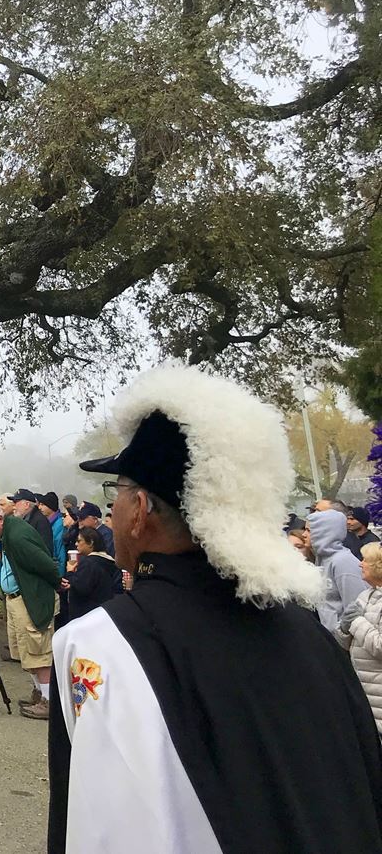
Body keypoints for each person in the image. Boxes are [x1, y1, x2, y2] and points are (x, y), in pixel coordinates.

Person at [49, 365, 382, 854]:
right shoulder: (307, 631)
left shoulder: (99, 645)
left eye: (116, 493)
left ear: (140, 510)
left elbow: (104, 826)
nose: (113, 512)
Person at [0, 497, 60, 719]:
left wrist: (57, 581)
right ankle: (38, 692)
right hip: (15, 598)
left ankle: (49, 700)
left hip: (29, 600)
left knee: (38, 650)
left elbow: (44, 562)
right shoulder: (7, 534)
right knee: (24, 651)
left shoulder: (16, 535)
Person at [343, 542, 382, 733]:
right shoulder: (365, 595)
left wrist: (356, 622)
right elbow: (344, 642)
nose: (360, 564)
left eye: (365, 560)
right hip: (364, 691)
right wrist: (343, 628)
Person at [309, 507, 368, 633]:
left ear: (323, 533)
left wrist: (341, 633)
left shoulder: (343, 562)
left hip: (342, 643)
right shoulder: (322, 560)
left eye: (309, 530)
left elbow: (357, 607)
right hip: (330, 639)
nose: (304, 534)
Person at [59, 526, 120, 624]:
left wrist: (70, 572)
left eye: (79, 541)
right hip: (102, 613)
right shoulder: (109, 563)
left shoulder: (89, 563)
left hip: (84, 615)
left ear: (91, 542)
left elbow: (81, 587)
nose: (76, 544)